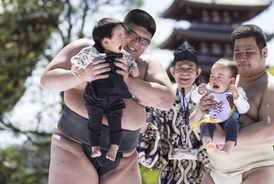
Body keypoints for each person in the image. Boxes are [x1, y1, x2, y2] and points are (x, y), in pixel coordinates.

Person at [40, 9, 175, 184]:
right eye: (131, 34)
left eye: (144, 41)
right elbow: (47, 81)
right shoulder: (86, 49)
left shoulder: (146, 65)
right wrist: (81, 76)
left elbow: (165, 100)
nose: (135, 43)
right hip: (73, 145)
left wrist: (130, 81)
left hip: (124, 158)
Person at [190, 24, 274, 184]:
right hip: (215, 170)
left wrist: (224, 138)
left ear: (264, 52)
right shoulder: (222, 83)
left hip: (255, 169)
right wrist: (199, 113)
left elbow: (269, 133)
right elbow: (194, 123)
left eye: (249, 52)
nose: (242, 57)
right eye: (237, 52)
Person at [138, 41, 209, 184]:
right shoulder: (161, 103)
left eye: (190, 68)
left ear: (198, 72)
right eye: (180, 68)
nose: (184, 72)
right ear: (172, 71)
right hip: (170, 173)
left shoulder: (209, 99)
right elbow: (150, 147)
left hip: (203, 172)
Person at [70, 17, 139, 161]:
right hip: (94, 96)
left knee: (116, 123)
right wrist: (78, 69)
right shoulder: (92, 52)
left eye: (124, 35)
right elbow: (76, 60)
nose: (124, 39)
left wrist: (134, 71)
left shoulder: (124, 55)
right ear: (106, 41)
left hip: (115, 96)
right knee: (93, 122)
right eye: (120, 36)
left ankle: (114, 148)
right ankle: (94, 146)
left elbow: (133, 65)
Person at [190, 58, 249, 155]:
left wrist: (237, 98)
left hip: (229, 118)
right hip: (212, 118)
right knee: (205, 123)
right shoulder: (208, 88)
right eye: (212, 76)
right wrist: (199, 93)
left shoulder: (236, 91)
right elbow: (194, 99)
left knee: (232, 122)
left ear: (231, 81)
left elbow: (244, 109)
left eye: (219, 77)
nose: (214, 80)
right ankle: (208, 143)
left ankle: (228, 146)